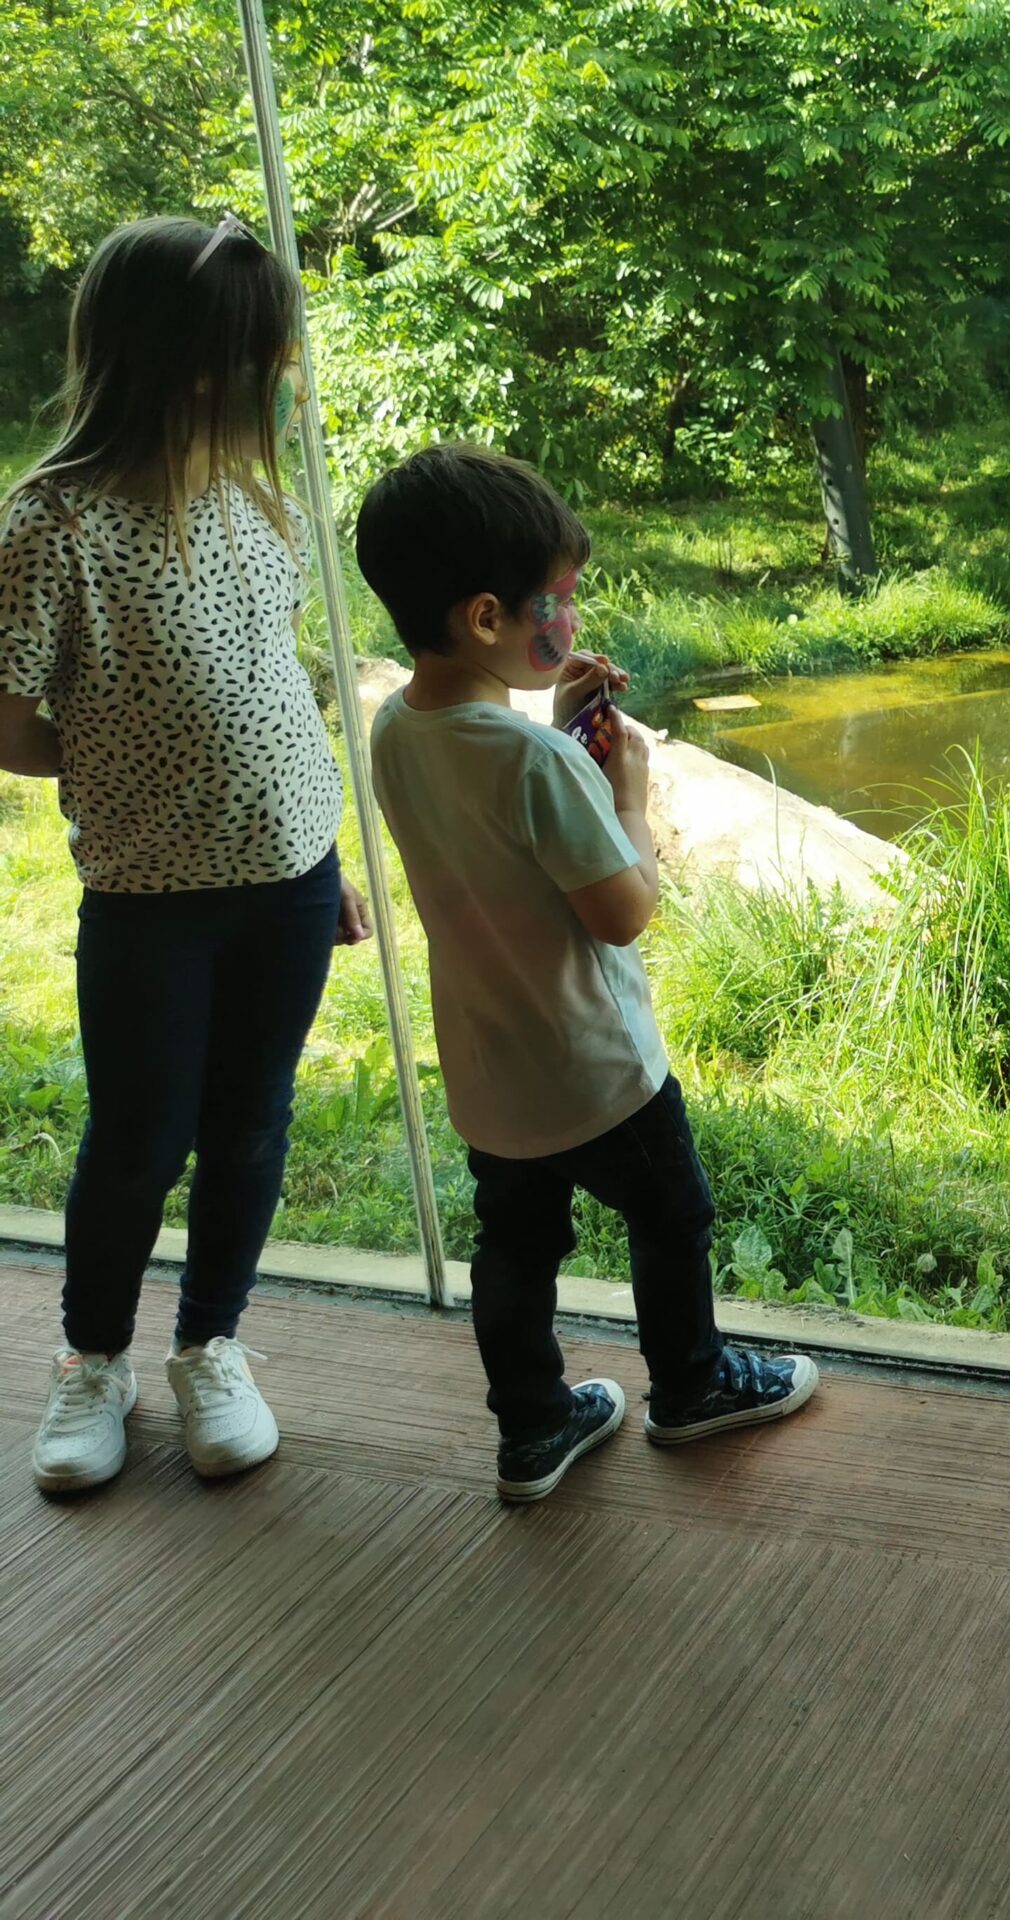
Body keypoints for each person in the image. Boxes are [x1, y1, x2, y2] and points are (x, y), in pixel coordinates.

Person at [354, 443, 814, 1502]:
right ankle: (692, 1389)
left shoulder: (396, 728)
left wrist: (560, 735)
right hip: (596, 1070)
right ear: (484, 618)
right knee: (672, 1217)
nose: (566, 623)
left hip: (489, 1070)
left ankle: (533, 1429)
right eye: (551, 605)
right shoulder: (538, 763)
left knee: (515, 1250)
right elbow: (621, 913)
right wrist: (629, 795)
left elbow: (490, 814)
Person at [0, 215, 375, 1495]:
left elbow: (278, 692)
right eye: (268, 351)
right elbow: (11, 724)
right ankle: (90, 1362)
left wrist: (319, 853)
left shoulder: (255, 502)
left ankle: (209, 1346)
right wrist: (134, 767)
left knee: (252, 1126)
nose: (286, 370)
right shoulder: (51, 519)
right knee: (139, 1138)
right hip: (149, 900)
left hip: (288, 882)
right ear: (193, 362)